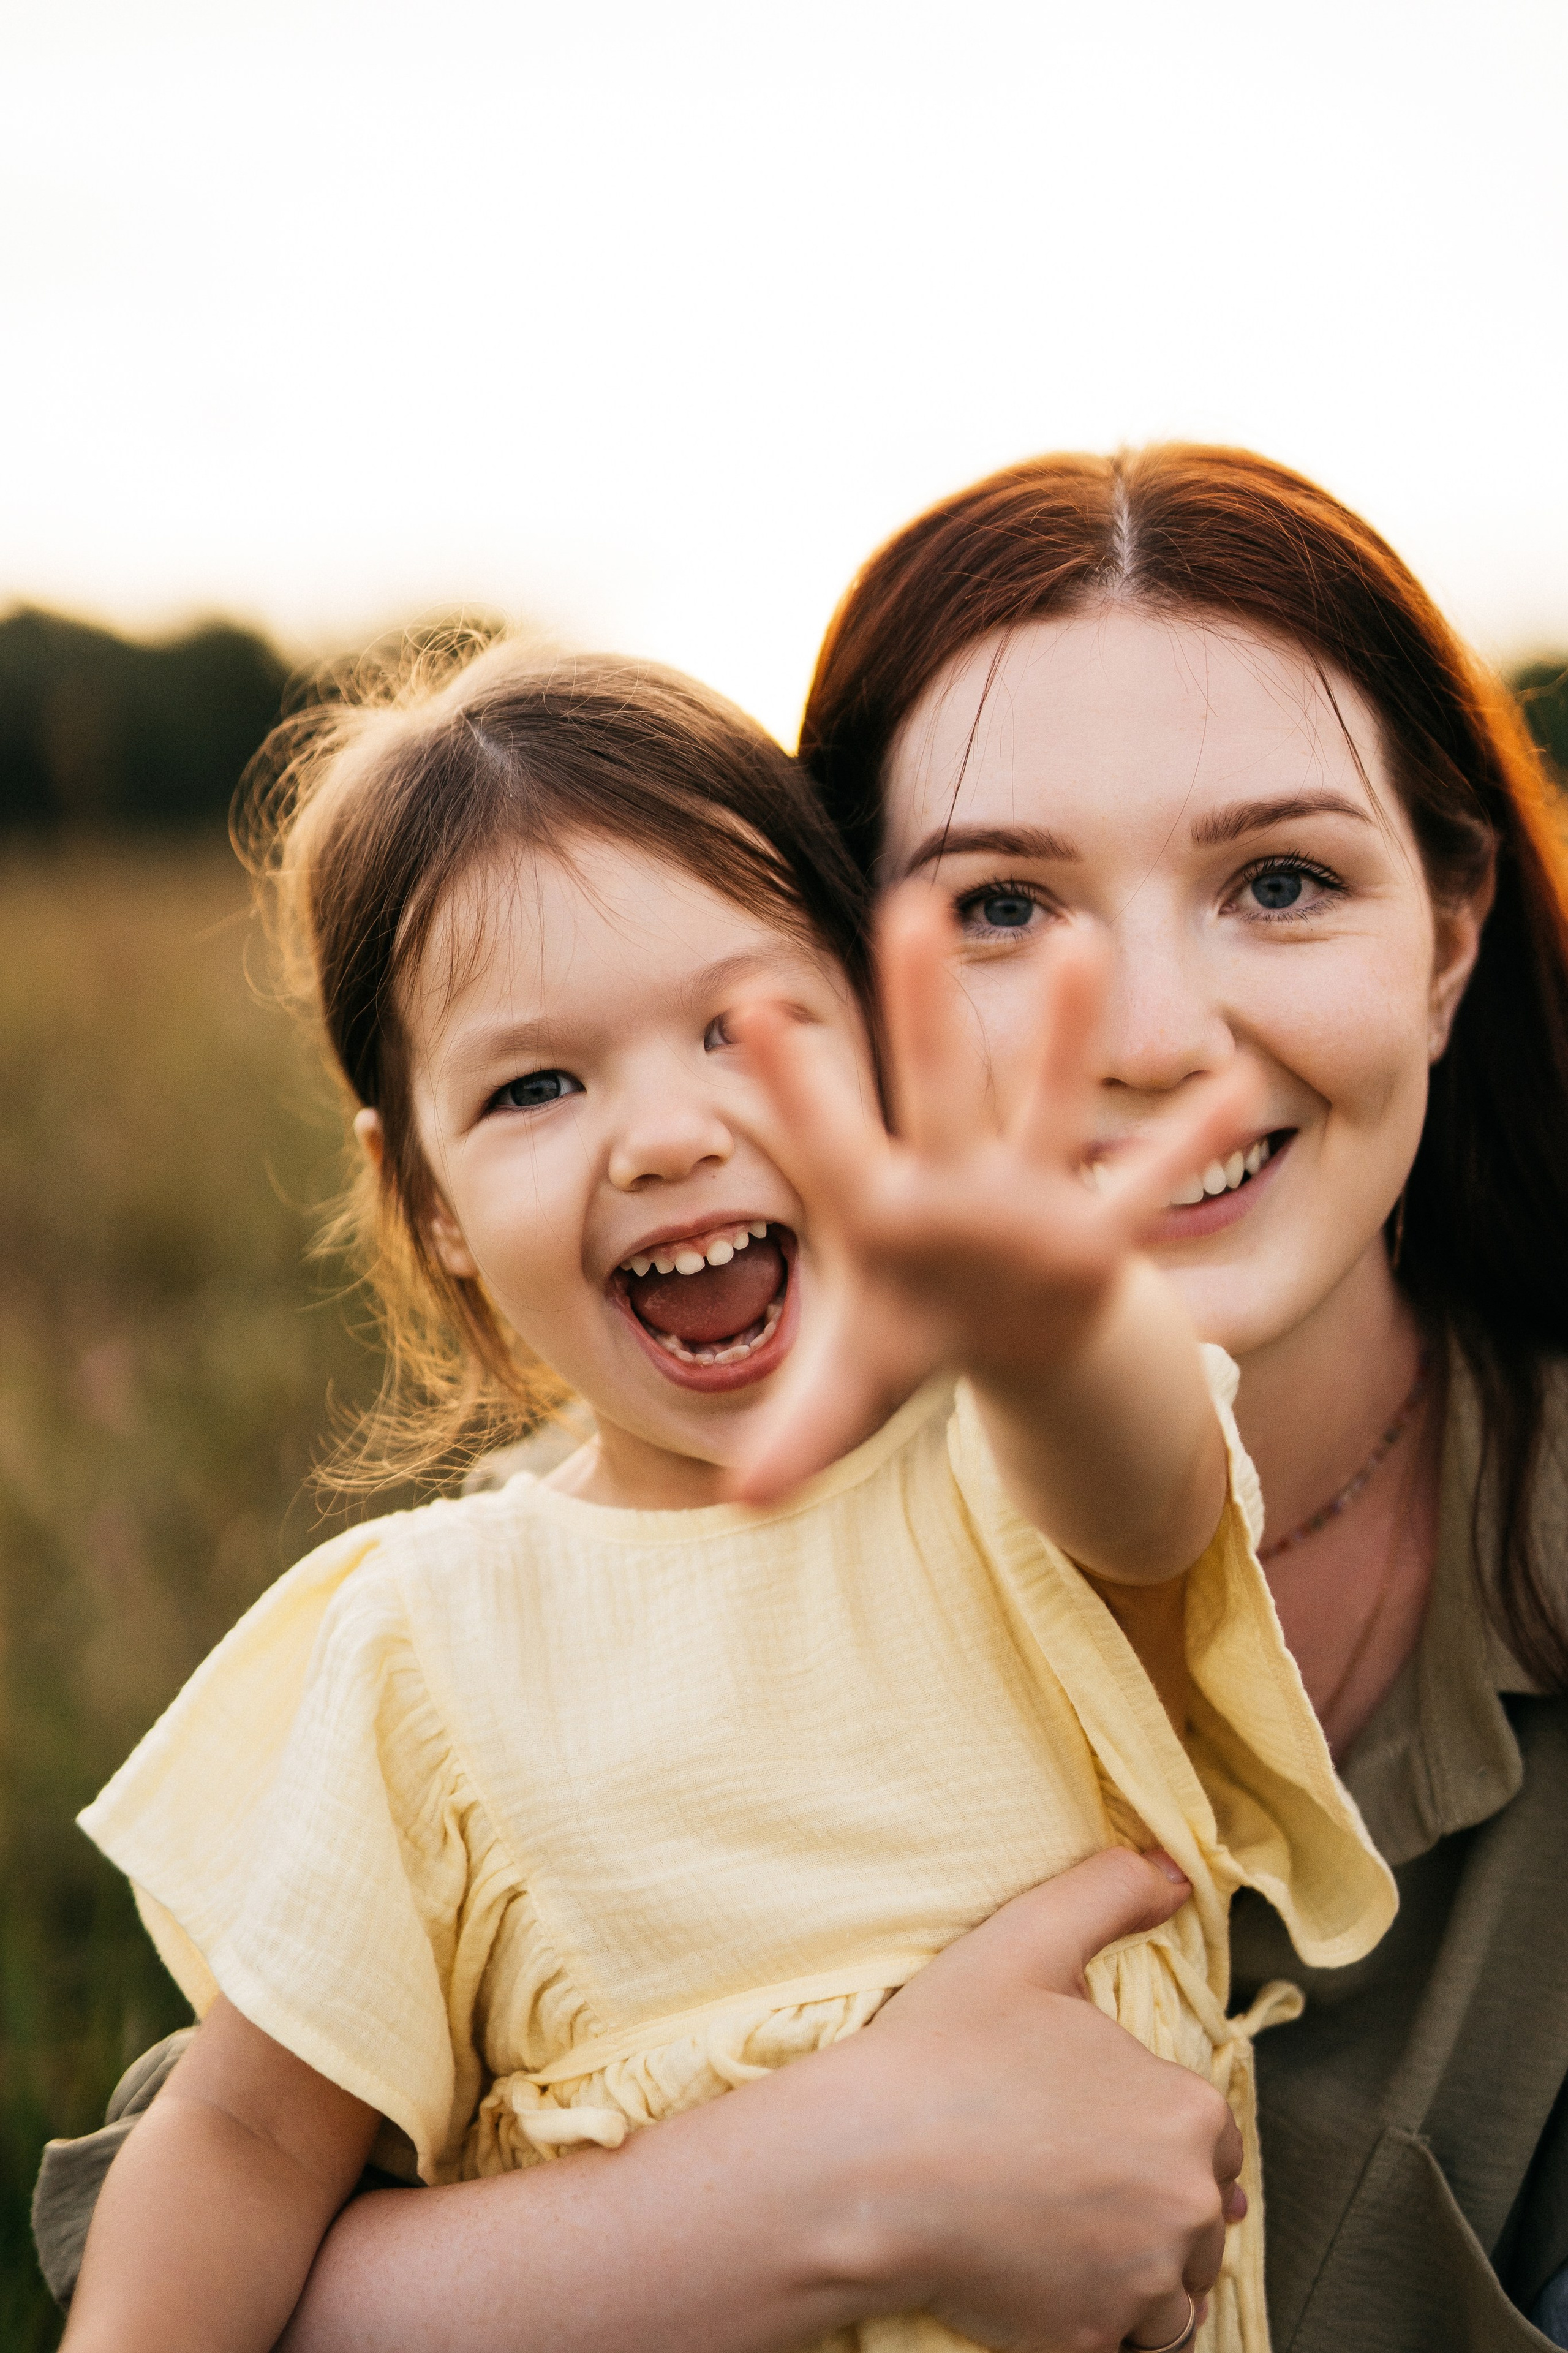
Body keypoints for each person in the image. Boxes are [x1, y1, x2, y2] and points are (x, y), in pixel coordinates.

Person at [50, 638, 1392, 2353]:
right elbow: (242, 2137)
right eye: (536, 1087)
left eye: (745, 1032)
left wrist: (1043, 1305)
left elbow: (1151, 1487)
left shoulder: (1007, 1465)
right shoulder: (424, 1641)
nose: (668, 1134)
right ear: (430, 1199)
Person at [793, 442, 1568, 2351]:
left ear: (1450, 934)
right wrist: (814, 2193)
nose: (1151, 1038)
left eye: (1280, 881)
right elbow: (168, 2256)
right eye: (1001, 906)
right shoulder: (650, 1548)